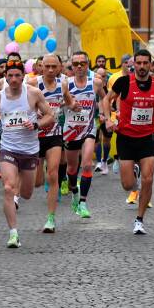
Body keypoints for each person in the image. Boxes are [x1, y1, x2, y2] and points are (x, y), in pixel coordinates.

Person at [0, 61, 54, 248]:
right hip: (8, 148)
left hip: (30, 151)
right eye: (10, 76)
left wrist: (36, 124)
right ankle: (13, 233)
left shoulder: (33, 94)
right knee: (8, 188)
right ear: (6, 77)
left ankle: (19, 194)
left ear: (23, 77)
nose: (13, 79)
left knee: (28, 193)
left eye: (17, 76)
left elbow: (50, 116)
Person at [103, 49, 154, 234]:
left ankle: (139, 219)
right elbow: (106, 99)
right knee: (127, 185)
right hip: (126, 138)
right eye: (139, 63)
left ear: (151, 65)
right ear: (133, 64)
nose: (142, 66)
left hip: (147, 138)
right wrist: (108, 119)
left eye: (146, 63)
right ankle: (133, 176)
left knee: (148, 179)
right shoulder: (124, 82)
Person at [62, 51, 106, 218]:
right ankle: (74, 191)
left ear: (88, 65)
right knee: (72, 168)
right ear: (71, 67)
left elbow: (104, 98)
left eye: (83, 63)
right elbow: (57, 102)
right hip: (70, 130)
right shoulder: (65, 84)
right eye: (76, 64)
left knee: (87, 164)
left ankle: (83, 202)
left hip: (88, 128)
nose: (79, 66)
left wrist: (103, 112)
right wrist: (70, 104)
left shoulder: (95, 82)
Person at [26, 54, 67, 232]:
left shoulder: (62, 85)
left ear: (59, 68)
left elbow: (69, 100)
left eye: (54, 67)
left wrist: (74, 106)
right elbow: (23, 104)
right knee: (36, 182)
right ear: (41, 67)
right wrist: (35, 113)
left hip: (55, 134)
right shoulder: (34, 84)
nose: (50, 70)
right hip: (35, 135)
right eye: (47, 66)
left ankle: (50, 219)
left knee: (53, 174)